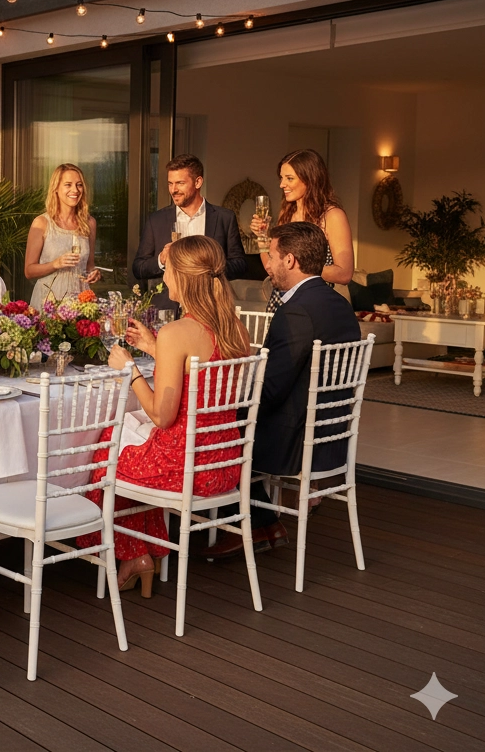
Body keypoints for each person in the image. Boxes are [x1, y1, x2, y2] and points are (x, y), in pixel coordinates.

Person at [78, 236, 251, 596]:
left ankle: (132, 553)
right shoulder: (235, 327)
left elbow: (161, 416)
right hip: (223, 465)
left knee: (107, 450)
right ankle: (141, 554)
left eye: (168, 270)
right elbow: (202, 376)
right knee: (125, 442)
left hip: (182, 466)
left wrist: (131, 370)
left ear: (183, 277)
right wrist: (155, 348)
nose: (164, 277)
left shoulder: (177, 332)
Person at [202, 222, 361, 561]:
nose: (268, 265)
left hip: (297, 440)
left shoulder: (296, 310)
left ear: (290, 260)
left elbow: (271, 391)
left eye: (272, 257)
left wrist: (229, 405)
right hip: (332, 433)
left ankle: (250, 524)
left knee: (213, 431)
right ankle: (264, 524)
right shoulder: (338, 304)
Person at [132, 154, 246, 312]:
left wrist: (207, 270)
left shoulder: (224, 218)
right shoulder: (156, 220)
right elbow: (138, 268)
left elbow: (240, 264)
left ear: (198, 182)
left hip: (210, 308)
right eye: (170, 183)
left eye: (180, 183)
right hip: (168, 311)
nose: (173, 190)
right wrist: (161, 260)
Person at [253, 149, 354, 312]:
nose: (282, 184)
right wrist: (262, 237)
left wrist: (297, 269)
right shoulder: (286, 213)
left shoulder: (332, 216)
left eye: (289, 178)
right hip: (280, 303)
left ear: (310, 179)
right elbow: (272, 269)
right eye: (281, 178)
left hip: (314, 304)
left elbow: (344, 274)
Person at [25, 163, 102, 309]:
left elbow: (89, 265)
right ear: (56, 188)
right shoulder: (42, 223)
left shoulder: (89, 223)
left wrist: (93, 273)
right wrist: (55, 264)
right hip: (48, 301)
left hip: (81, 301)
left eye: (79, 185)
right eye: (68, 185)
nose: (75, 190)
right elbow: (29, 271)